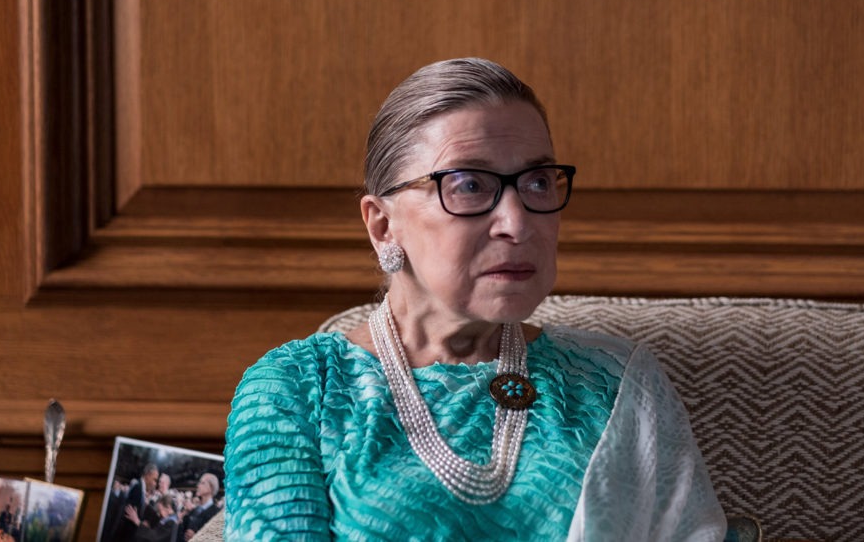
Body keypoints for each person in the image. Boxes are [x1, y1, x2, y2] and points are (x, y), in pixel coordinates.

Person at [222, 58, 726, 540]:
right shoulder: (297, 389)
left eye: (537, 182)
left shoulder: (615, 382)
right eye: (468, 185)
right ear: (382, 225)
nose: (518, 222)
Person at [179, 473, 220, 541]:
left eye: (202, 483)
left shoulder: (216, 514)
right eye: (199, 482)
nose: (198, 485)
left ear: (211, 488)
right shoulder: (194, 510)